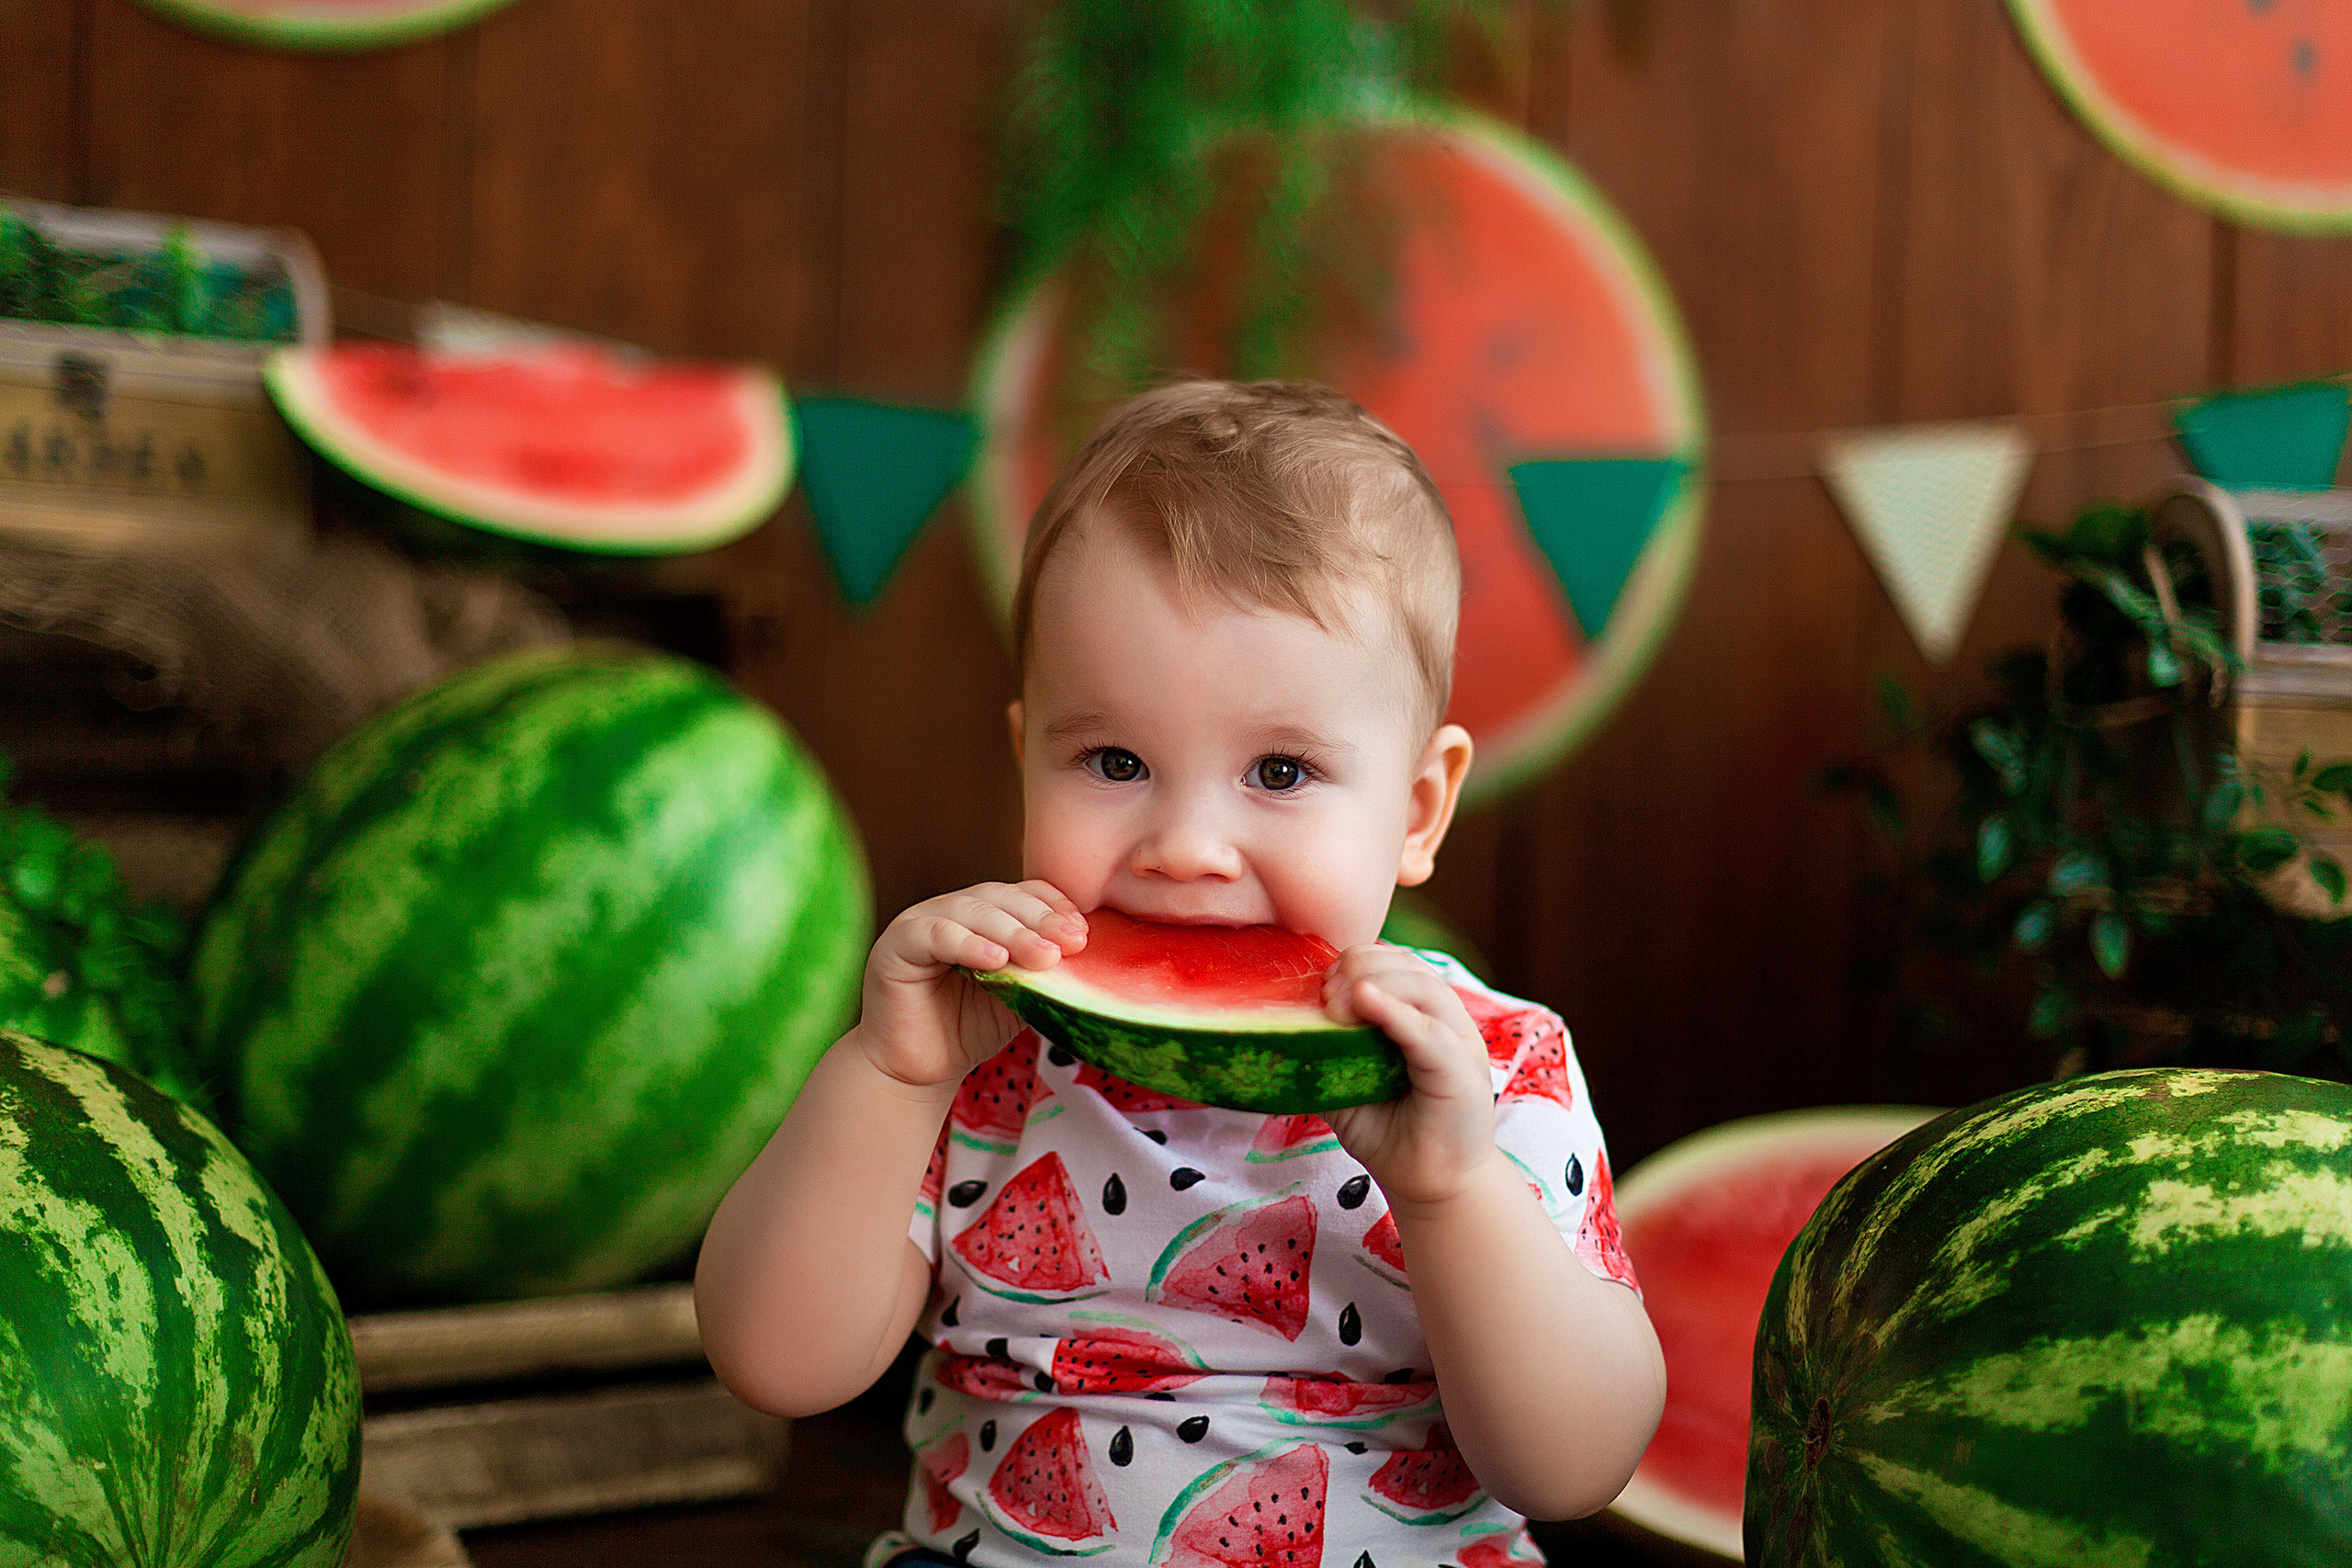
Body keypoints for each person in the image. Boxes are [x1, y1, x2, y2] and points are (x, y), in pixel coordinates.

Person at [696, 380, 1665, 1565]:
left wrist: (1454, 1191)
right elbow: (773, 1362)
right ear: (1025, 762)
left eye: (1282, 773)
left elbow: (1576, 1467)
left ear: (1418, 810)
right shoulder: (974, 1053)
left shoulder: (1497, 1070)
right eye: (1114, 760)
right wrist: (888, 1079)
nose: (1188, 849)